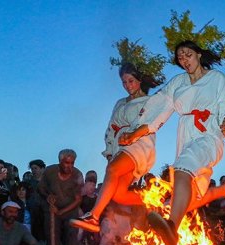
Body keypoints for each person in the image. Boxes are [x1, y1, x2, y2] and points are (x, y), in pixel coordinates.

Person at [119, 40, 225, 245]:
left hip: (209, 136)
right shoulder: (178, 83)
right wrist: (135, 133)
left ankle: (172, 228)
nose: (184, 60)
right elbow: (158, 109)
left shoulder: (216, 79)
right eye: (180, 57)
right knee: (190, 196)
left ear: (198, 54)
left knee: (182, 171)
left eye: (187, 54)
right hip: (186, 139)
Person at [70, 61, 163, 233]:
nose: (128, 86)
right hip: (121, 148)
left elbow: (151, 124)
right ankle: (156, 200)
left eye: (131, 81)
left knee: (113, 170)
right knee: (118, 194)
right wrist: (110, 153)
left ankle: (94, 217)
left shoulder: (150, 101)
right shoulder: (120, 103)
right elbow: (111, 129)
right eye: (124, 82)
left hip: (140, 144)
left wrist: (132, 136)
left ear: (140, 80)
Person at [38, 149, 83, 245]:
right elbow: (41, 188)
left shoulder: (77, 175)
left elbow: (78, 199)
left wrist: (62, 212)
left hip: (69, 211)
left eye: (72, 163)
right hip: (51, 210)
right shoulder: (49, 172)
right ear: (60, 162)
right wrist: (48, 196)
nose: (69, 166)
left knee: (71, 236)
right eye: (66, 163)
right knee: (52, 236)